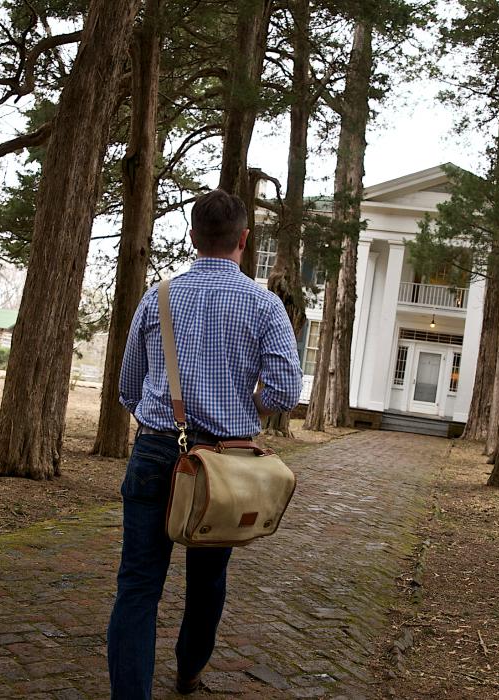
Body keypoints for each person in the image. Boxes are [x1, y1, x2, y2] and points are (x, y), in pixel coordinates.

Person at [106, 189, 304, 698]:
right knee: (208, 580)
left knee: (138, 585)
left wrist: (164, 419)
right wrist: (245, 410)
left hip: (155, 450)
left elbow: (128, 387)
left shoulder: (158, 297)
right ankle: (189, 671)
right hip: (224, 460)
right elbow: (285, 391)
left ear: (193, 237)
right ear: (244, 239)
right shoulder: (265, 305)